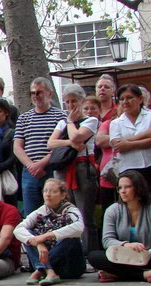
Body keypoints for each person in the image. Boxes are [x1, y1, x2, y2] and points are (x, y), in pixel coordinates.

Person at [88, 171, 151, 282]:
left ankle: (117, 275)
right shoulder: (112, 210)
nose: (122, 191)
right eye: (120, 188)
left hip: (148, 256)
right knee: (94, 256)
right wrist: (126, 245)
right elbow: (107, 240)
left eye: (127, 187)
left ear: (139, 188)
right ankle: (146, 274)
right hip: (121, 257)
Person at [46, 84, 99, 256]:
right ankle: (72, 252)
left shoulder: (91, 120)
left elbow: (78, 136)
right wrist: (69, 142)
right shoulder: (62, 122)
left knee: (84, 213)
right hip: (64, 168)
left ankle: (89, 253)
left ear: (82, 101)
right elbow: (51, 143)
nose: (70, 106)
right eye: (67, 102)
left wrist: (70, 124)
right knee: (67, 213)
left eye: (74, 101)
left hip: (83, 168)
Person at [14, 179, 86, 286]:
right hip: (52, 265)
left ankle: (40, 269)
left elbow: (79, 227)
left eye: (53, 191)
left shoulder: (70, 210)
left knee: (70, 237)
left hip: (70, 266)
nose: (48, 195)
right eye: (45, 191)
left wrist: (46, 236)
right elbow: (18, 229)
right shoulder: (42, 210)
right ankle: (49, 271)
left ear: (63, 195)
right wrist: (38, 244)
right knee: (29, 236)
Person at [109, 84, 151, 207]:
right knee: (134, 205)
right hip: (129, 168)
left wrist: (128, 143)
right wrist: (145, 134)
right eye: (122, 99)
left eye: (129, 98)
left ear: (140, 99)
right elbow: (118, 145)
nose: (125, 102)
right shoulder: (116, 123)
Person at [14, 78, 64, 216]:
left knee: (55, 211)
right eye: (33, 93)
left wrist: (42, 164)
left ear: (49, 93)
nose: (35, 96)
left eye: (39, 92)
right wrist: (31, 166)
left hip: (51, 169)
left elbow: (61, 146)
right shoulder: (24, 118)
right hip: (29, 172)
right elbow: (17, 147)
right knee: (31, 214)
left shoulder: (60, 116)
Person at [95, 75, 120, 211]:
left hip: (112, 161)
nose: (102, 89)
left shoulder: (118, 111)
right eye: (100, 86)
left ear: (113, 91)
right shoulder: (89, 110)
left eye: (106, 87)